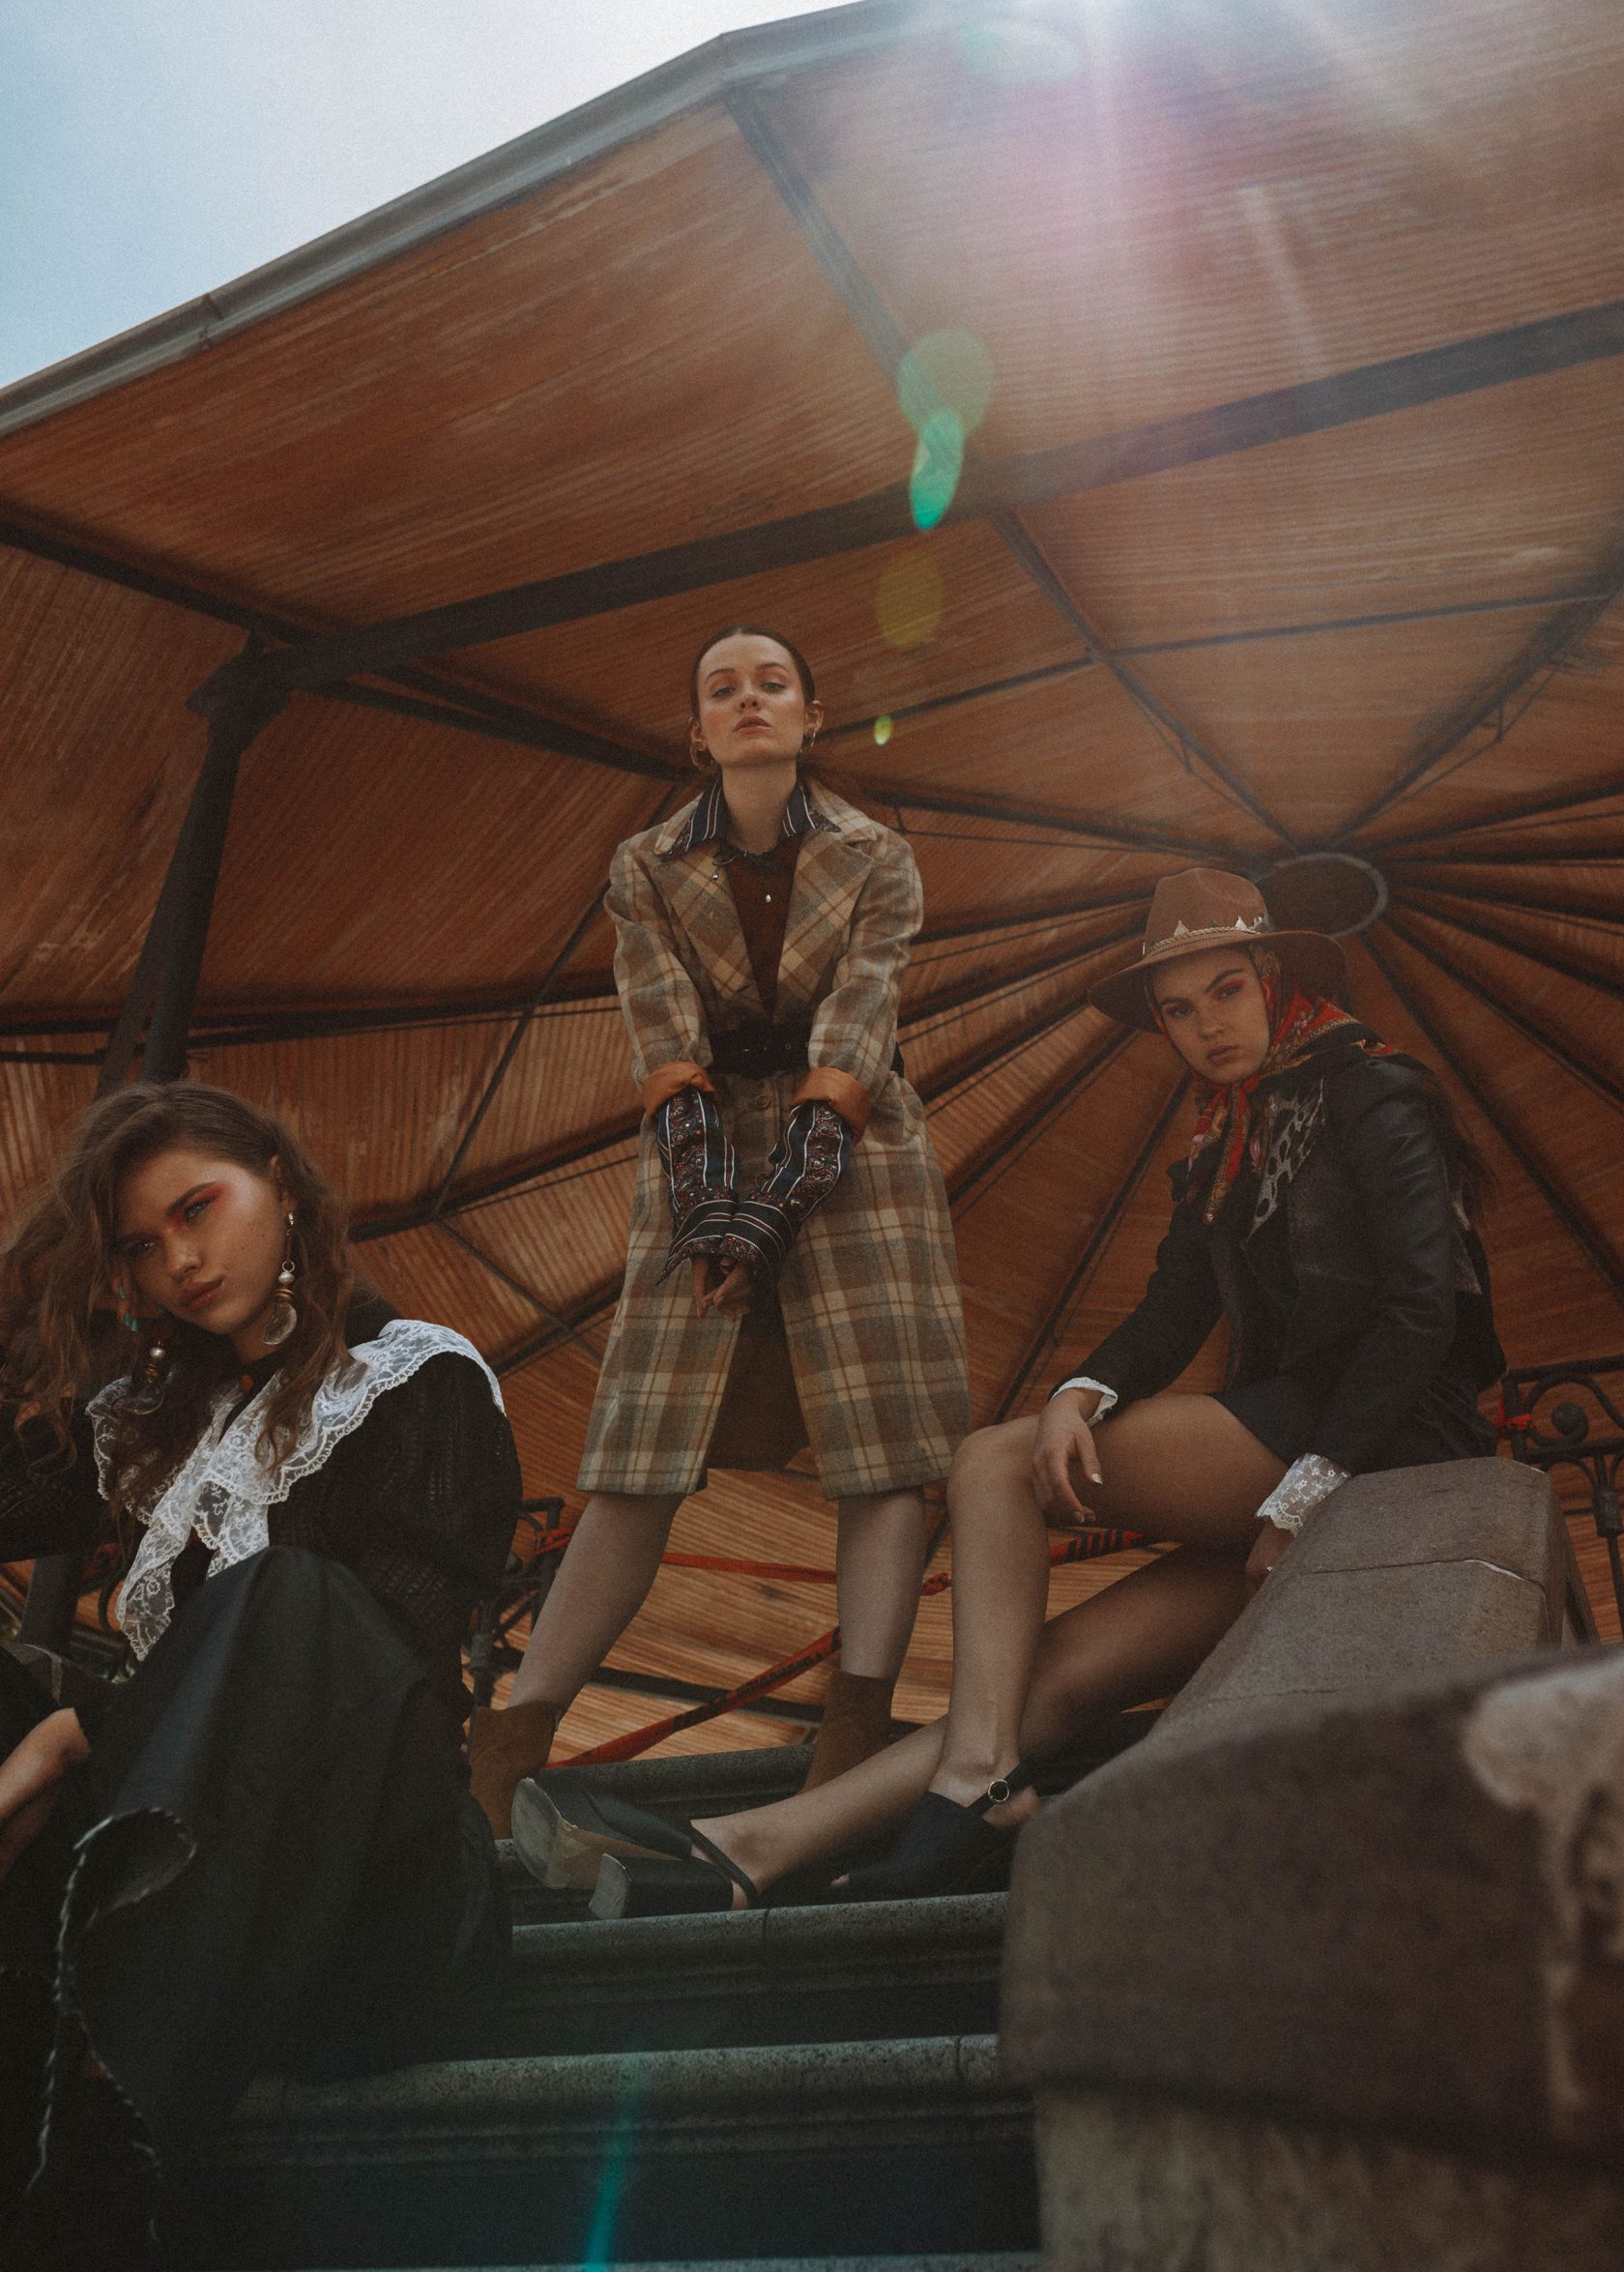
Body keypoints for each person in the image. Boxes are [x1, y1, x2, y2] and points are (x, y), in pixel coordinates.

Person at [510, 865, 1505, 1916]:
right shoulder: (1224, 1134)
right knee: (1051, 1673)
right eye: (1177, 1009)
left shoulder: (1375, 1091)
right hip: (1284, 1466)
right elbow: (1170, 1310)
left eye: (1226, 991)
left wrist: (1305, 1492)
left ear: (1273, 978)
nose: (1205, 1026)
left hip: (1383, 1445)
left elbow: (1422, 1310)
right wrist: (1080, 1390)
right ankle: (749, 1846)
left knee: (993, 1463)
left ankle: (978, 1781)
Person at [0, 1084, 521, 2269]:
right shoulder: (147, 1425)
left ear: (281, 1184)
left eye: (198, 1208)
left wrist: (75, 1731)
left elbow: (389, 1670)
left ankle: (110, 2117)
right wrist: (48, 1282)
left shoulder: (416, 1380)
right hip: (165, 1881)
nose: (180, 1261)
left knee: (288, 1595)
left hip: (374, 1901)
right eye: (139, 1245)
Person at [470, 626, 970, 1836]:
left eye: (773, 685)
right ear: (696, 732)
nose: (750, 701)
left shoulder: (879, 856)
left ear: (811, 715)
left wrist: (780, 1203)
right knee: (635, 1447)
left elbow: (860, 1025)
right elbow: (660, 1027)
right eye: (723, 689)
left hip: (858, 1149)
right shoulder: (643, 864)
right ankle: (511, 1744)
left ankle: (852, 1730)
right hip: (698, 1142)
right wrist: (709, 1205)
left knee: (885, 1449)